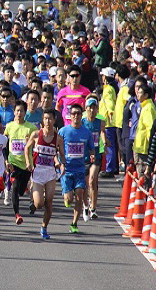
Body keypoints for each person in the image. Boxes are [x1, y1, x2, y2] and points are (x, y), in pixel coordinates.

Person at [27, 108, 65, 239]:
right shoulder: (36, 134)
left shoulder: (58, 138)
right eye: (45, 119)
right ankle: (33, 193)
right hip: (37, 172)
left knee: (49, 202)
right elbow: (27, 148)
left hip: (50, 173)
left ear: (54, 120)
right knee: (39, 204)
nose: (48, 121)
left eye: (50, 119)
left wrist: (62, 165)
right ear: (42, 120)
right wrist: (29, 163)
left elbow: (62, 155)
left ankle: (44, 227)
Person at [58, 104, 94, 234]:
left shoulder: (86, 132)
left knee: (79, 195)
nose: (76, 116)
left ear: (81, 115)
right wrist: (59, 162)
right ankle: (67, 195)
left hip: (80, 169)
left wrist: (92, 155)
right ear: (70, 115)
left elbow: (91, 148)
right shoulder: (63, 131)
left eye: (78, 113)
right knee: (69, 200)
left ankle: (74, 223)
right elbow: (57, 147)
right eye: (73, 113)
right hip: (66, 170)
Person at [3, 100, 37, 224]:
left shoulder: (31, 128)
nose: (19, 113)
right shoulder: (9, 126)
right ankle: (17, 214)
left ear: (25, 112)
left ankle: (26, 188)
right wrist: (6, 161)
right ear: (14, 112)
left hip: (27, 164)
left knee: (21, 190)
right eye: (17, 111)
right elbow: (5, 145)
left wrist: (31, 141)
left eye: (21, 111)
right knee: (15, 187)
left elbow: (37, 145)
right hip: (13, 163)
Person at [81, 96, 107, 221]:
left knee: (92, 181)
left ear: (97, 109)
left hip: (96, 155)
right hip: (84, 156)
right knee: (85, 184)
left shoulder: (100, 122)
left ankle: (93, 208)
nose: (92, 110)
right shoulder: (82, 122)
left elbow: (102, 133)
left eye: (94, 107)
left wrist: (105, 142)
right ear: (86, 109)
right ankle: (86, 205)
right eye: (89, 107)